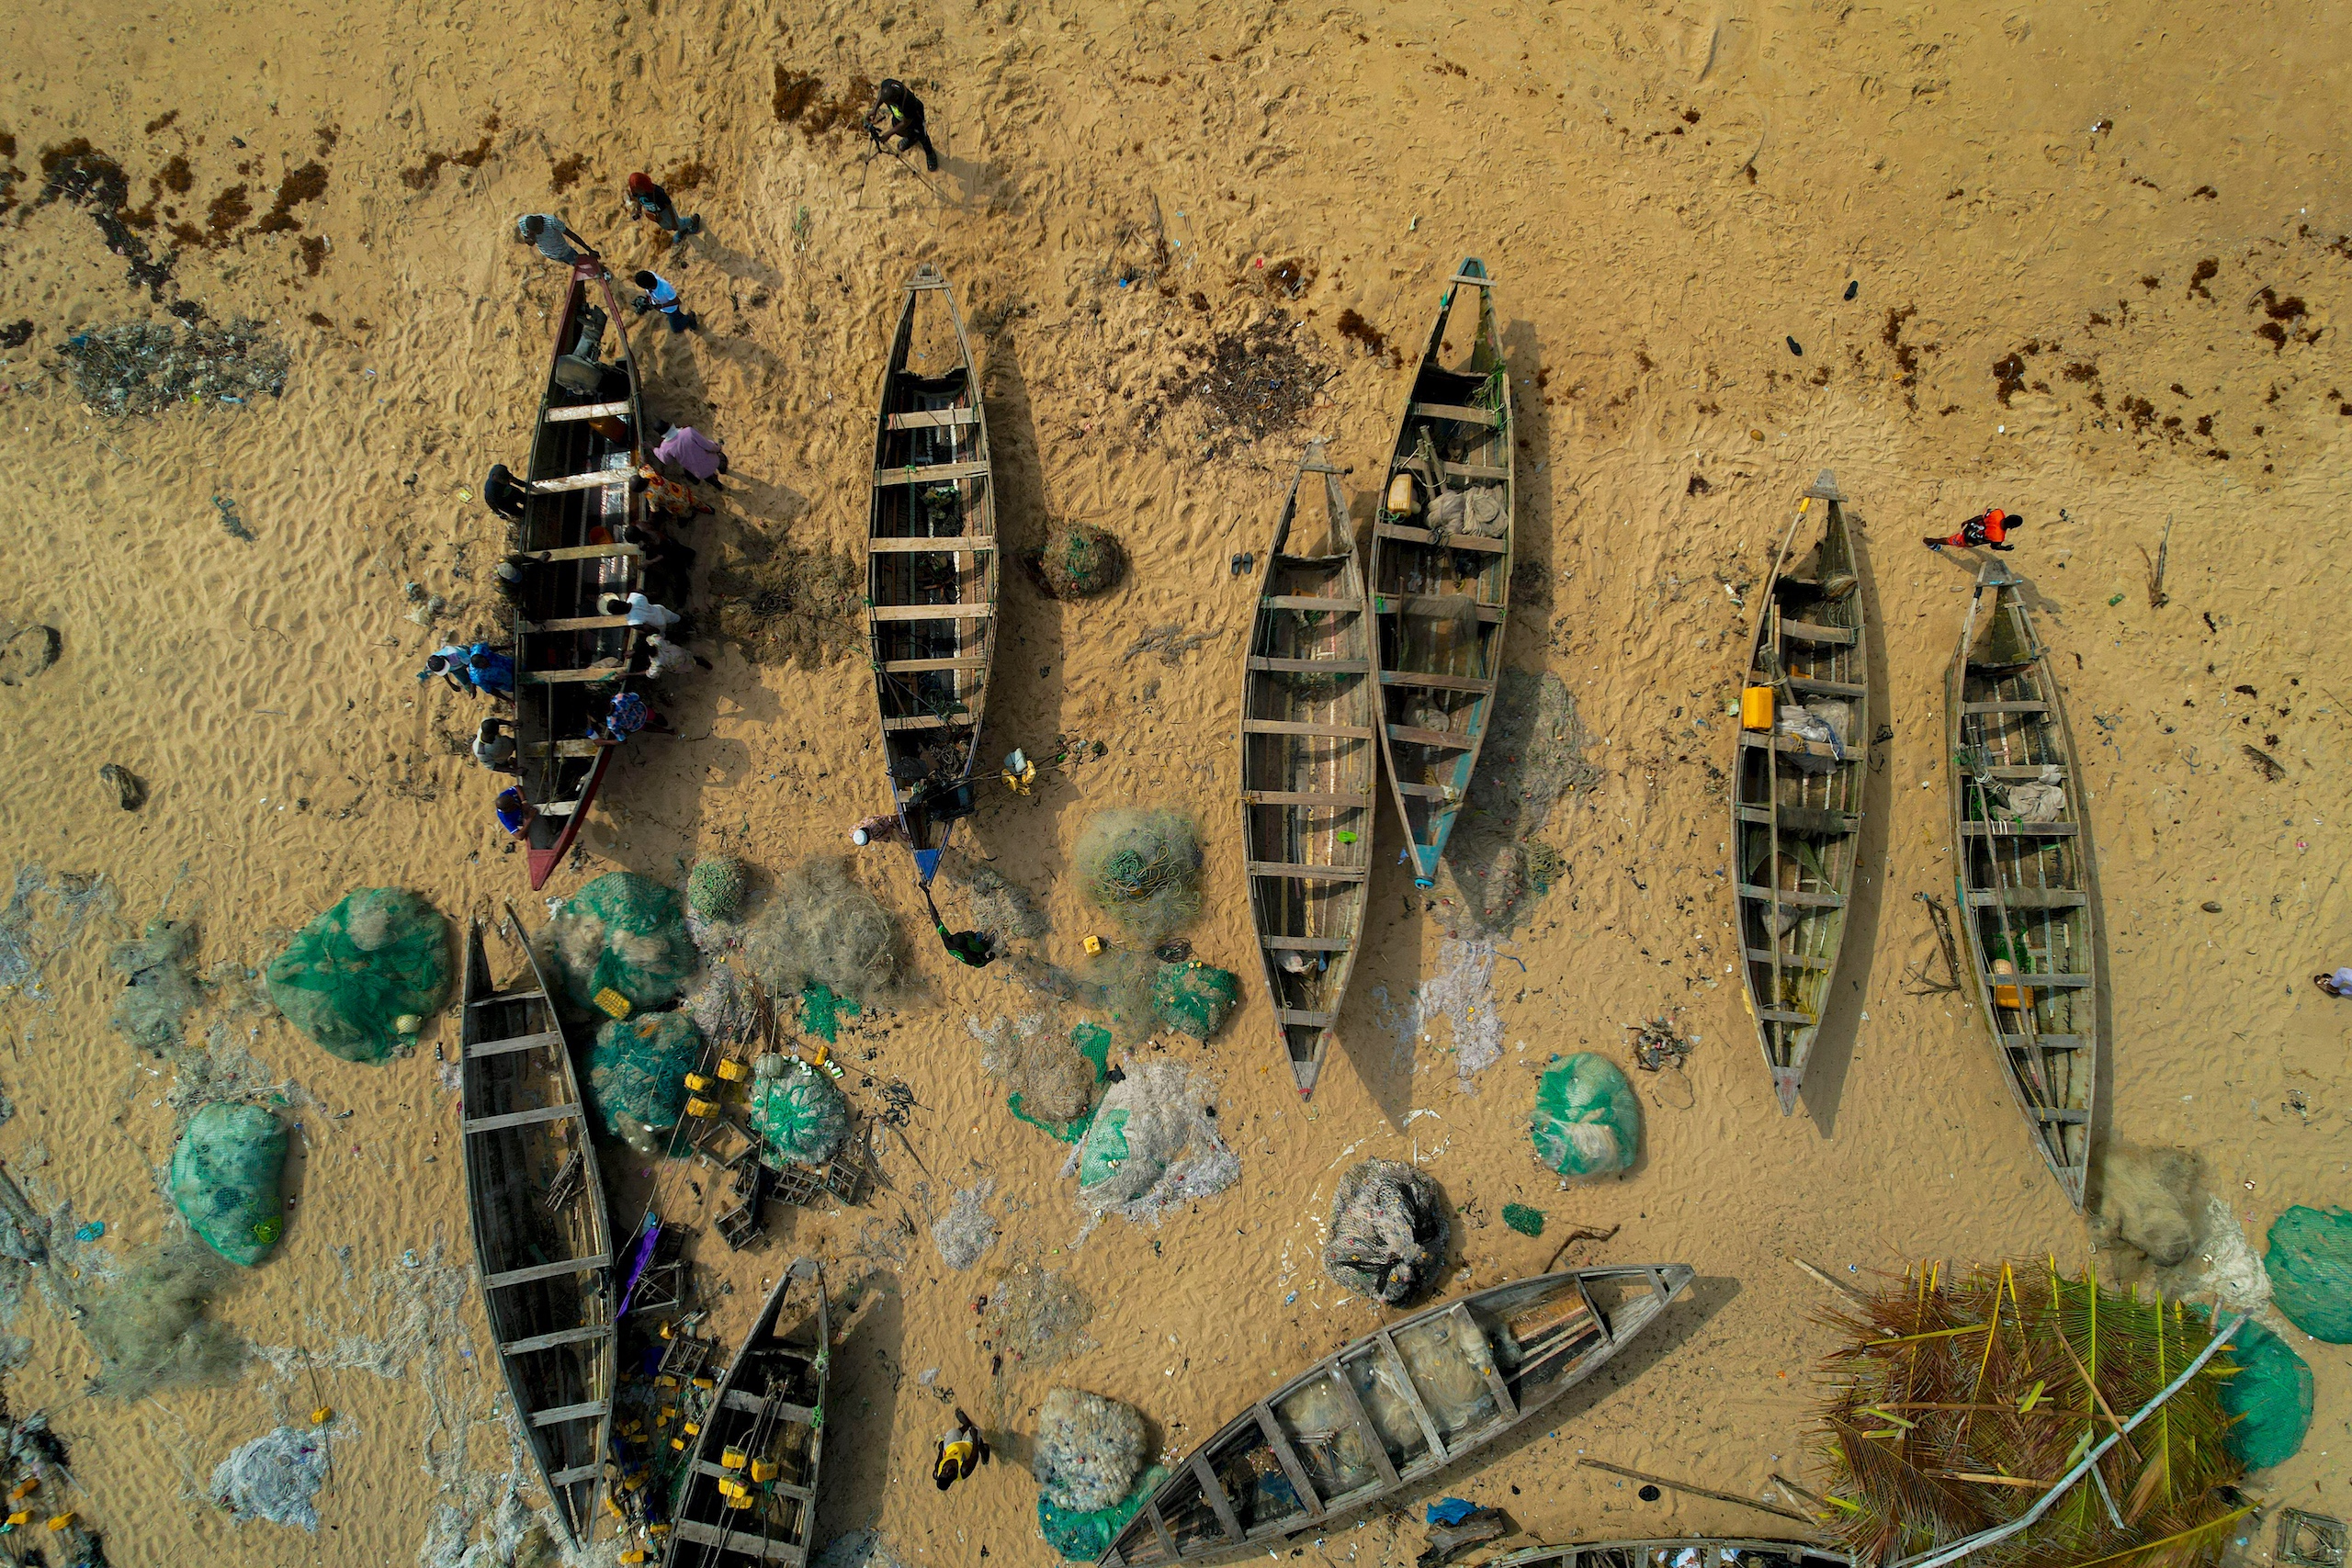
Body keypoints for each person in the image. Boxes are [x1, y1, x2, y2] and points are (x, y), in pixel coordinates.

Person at [867, 79, 940, 173]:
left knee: (921, 135)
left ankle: (930, 153)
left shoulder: (908, 102)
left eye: (889, 103)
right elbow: (882, 94)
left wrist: (888, 134)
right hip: (899, 116)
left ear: (895, 99)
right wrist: (874, 109)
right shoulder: (888, 84)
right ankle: (911, 138)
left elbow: (906, 122)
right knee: (899, 129)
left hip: (914, 117)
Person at [922, 886, 995, 969]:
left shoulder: (947, 939)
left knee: (972, 934)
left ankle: (978, 938)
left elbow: (935, 918)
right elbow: (980, 964)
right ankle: (986, 944)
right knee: (984, 946)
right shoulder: (969, 956)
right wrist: (990, 959)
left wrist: (927, 894)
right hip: (977, 955)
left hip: (963, 947)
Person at [625, 172, 702, 238]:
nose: (639, 191)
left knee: (677, 225)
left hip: (665, 211)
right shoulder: (637, 192)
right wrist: (639, 211)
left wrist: (674, 221)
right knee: (666, 226)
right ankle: (683, 229)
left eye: (640, 188)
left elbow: (668, 204)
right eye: (636, 189)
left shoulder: (656, 192)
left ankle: (693, 220)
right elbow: (639, 200)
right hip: (656, 214)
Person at [654, 424, 729, 487]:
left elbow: (667, 461)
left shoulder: (664, 447)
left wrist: (654, 449)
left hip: (700, 472)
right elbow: (708, 446)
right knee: (720, 457)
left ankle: (718, 486)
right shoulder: (688, 431)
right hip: (713, 461)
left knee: (707, 477)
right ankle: (722, 469)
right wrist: (717, 448)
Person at [932, 1408, 987, 1492]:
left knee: (953, 1432)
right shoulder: (964, 1469)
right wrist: (974, 1437)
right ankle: (984, 1451)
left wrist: (941, 1449)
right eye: (948, 1473)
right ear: (952, 1478)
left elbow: (939, 1460)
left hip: (952, 1448)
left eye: (943, 1471)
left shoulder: (937, 1472)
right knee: (975, 1430)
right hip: (968, 1447)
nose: (946, 1469)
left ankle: (966, 1426)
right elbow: (974, 1456)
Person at [635, 463, 713, 519]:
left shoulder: (651, 496)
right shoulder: (650, 473)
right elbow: (644, 468)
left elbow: (654, 510)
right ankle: (708, 510)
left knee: (685, 513)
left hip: (677, 505)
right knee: (695, 500)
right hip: (681, 491)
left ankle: (690, 516)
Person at [630, 269, 698, 333]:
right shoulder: (649, 276)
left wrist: (662, 306)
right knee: (678, 317)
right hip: (661, 307)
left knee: (676, 328)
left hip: (671, 310)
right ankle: (682, 317)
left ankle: (690, 316)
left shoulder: (665, 289)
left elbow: (677, 301)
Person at [1925, 508, 2021, 553]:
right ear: (2011, 526)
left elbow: (1981, 517)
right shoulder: (1998, 537)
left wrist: (1968, 521)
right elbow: (1994, 547)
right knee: (1949, 541)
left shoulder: (1998, 513)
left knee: (1953, 538)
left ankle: (1931, 541)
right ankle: (1929, 541)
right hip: (1969, 539)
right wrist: (2005, 548)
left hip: (1972, 526)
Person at [515, 213, 596, 265]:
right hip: (550, 255)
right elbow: (529, 242)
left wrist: (589, 249)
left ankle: (602, 272)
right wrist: (531, 237)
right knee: (575, 265)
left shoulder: (552, 221)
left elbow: (571, 235)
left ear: (540, 223)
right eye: (537, 232)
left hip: (565, 252)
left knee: (583, 265)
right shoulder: (522, 224)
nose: (540, 233)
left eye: (541, 229)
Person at [600, 592, 682, 632]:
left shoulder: (633, 622)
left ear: (618, 613)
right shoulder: (634, 596)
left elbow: (650, 629)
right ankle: (684, 620)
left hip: (659, 624)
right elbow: (650, 595)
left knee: (664, 635)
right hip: (659, 610)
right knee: (675, 617)